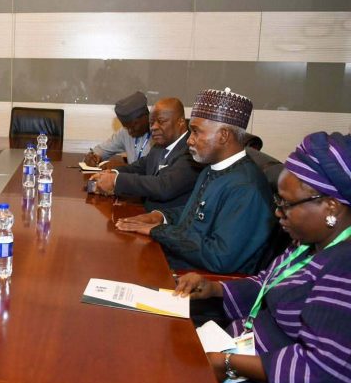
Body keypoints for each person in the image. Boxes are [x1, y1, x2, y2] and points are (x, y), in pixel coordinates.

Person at [174, 132, 351, 383]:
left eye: (287, 204)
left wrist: (228, 364)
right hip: (233, 350)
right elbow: (267, 283)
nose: (278, 213)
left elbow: (320, 375)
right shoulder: (307, 245)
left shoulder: (344, 267)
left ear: (330, 206)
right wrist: (214, 288)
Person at [115, 88, 274, 274]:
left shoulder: (245, 188)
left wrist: (159, 231)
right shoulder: (211, 169)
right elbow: (199, 213)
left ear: (223, 135)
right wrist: (161, 216)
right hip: (179, 261)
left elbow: (219, 256)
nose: (189, 140)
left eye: (196, 132)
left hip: (198, 279)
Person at [89, 97, 202, 211]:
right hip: (145, 211)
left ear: (181, 122)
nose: (154, 127)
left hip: (169, 219)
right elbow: (140, 167)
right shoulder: (159, 146)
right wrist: (112, 173)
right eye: (151, 123)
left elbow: (164, 186)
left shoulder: (192, 150)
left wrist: (116, 181)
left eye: (161, 121)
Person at [84, 91, 152, 168]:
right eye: (127, 127)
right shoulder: (125, 132)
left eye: (134, 126)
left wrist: (124, 167)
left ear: (146, 116)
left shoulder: (159, 135)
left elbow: (156, 171)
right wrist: (92, 157)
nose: (130, 131)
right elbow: (101, 150)